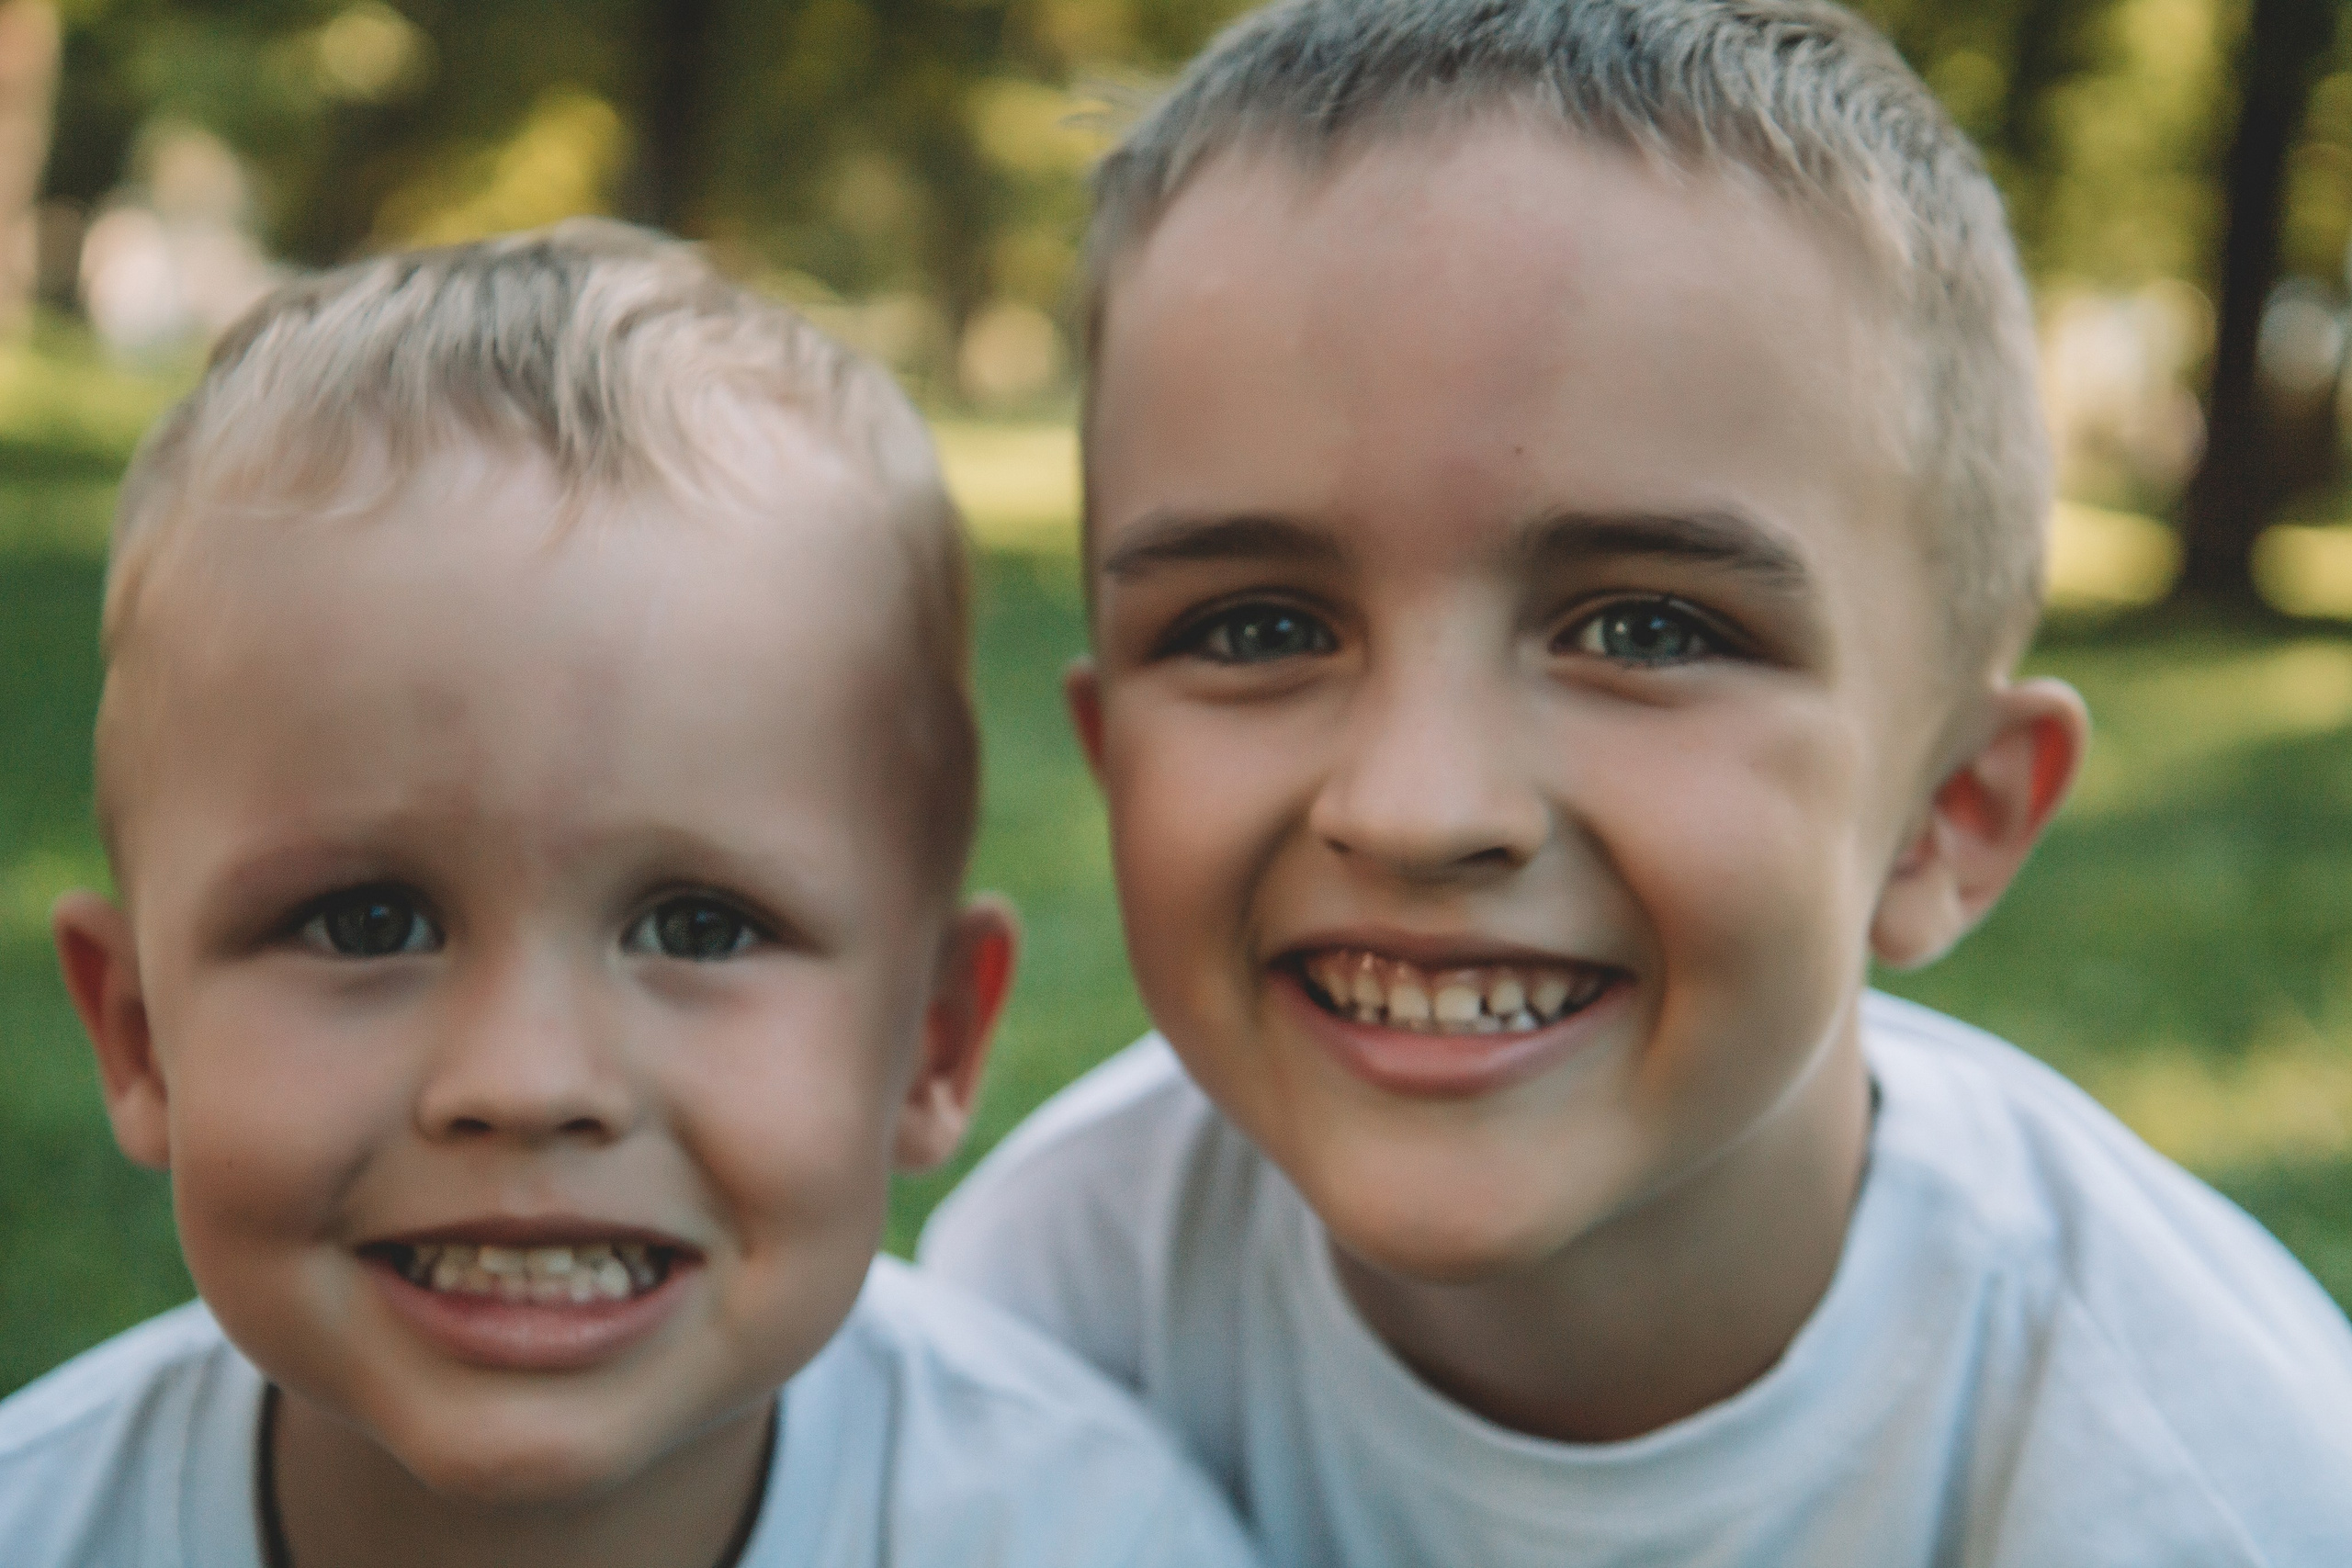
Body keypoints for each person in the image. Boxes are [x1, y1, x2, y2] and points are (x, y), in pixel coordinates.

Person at [918, 1, 2352, 1561]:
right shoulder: (1061, 1299)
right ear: (1114, 757)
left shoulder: (2206, 1488)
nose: (1418, 805)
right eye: (1257, 625)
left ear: (1953, 812)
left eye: (1647, 628)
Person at [1, 220, 1260, 1568]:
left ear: (933, 1038)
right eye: (368, 923)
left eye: (700, 926)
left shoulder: (1085, 1536)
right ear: (138, 1034)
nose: (528, 1081)